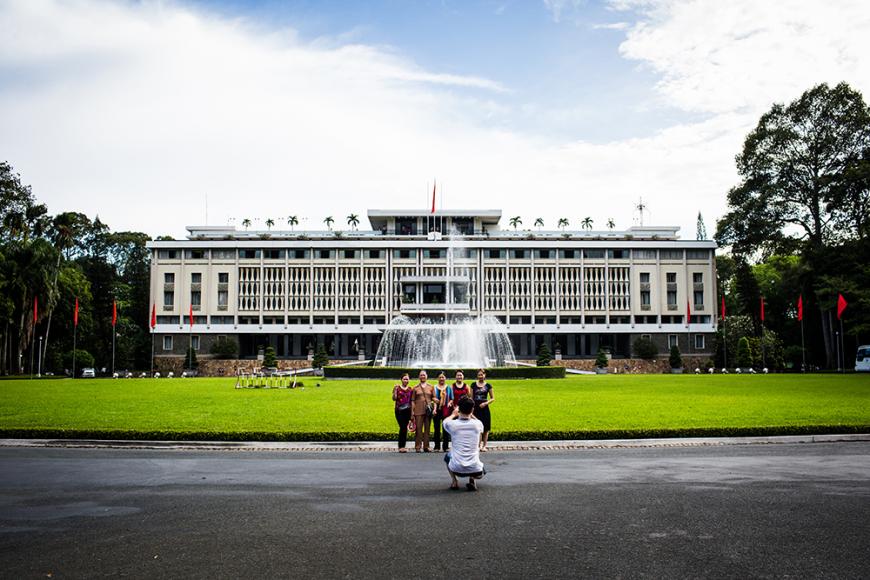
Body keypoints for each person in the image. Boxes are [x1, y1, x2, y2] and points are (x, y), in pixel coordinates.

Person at [443, 397, 485, 491]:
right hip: (476, 471)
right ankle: (472, 480)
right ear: (472, 410)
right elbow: (479, 422)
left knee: (447, 456)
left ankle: (454, 481)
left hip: (457, 469)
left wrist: (453, 414)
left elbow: (445, 421)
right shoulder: (478, 424)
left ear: (459, 409)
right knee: (475, 454)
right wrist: (471, 414)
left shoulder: (452, 424)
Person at [411, 370, 435, 452]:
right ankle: (418, 446)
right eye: (421, 375)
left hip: (428, 411)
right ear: (419, 377)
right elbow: (413, 400)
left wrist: (437, 400)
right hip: (418, 410)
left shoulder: (431, 387)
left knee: (427, 429)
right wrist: (412, 412)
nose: (422, 376)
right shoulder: (415, 388)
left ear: (427, 376)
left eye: (424, 375)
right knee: (418, 429)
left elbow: (433, 397)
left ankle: (426, 446)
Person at [472, 369, 495, 452]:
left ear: (485, 375)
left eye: (482, 374)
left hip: (485, 408)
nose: (480, 376)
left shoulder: (488, 385)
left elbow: (493, 398)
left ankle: (484, 445)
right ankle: (478, 445)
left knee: (486, 428)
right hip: (476, 408)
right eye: (479, 375)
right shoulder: (473, 385)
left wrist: (486, 403)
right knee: (477, 428)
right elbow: (471, 398)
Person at [392, 373, 413, 453]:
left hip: (407, 410)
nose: (406, 380)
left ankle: (402, 446)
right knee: (402, 427)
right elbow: (394, 398)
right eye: (404, 379)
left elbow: (411, 401)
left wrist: (412, 413)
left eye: (407, 379)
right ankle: (401, 446)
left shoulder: (410, 389)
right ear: (401, 380)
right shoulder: (397, 388)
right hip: (399, 410)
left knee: (404, 428)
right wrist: (394, 391)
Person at [432, 372, 451, 452]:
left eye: (443, 377)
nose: (441, 379)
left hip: (446, 410)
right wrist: (434, 400)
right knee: (436, 428)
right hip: (436, 409)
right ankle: (437, 446)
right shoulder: (434, 387)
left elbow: (452, 398)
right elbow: (432, 397)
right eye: (440, 377)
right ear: (437, 378)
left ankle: (445, 446)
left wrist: (450, 402)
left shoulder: (448, 388)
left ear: (445, 378)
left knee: (445, 428)